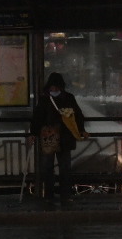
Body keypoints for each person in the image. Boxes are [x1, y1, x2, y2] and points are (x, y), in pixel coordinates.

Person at [30, 71, 86, 201]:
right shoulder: (47, 99)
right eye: (52, 87)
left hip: (62, 138)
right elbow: (38, 117)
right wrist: (33, 133)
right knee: (51, 167)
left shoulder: (53, 99)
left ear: (60, 87)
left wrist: (81, 130)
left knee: (63, 167)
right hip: (51, 138)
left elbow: (77, 115)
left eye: (56, 87)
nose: (54, 89)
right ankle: (51, 194)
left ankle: (63, 194)